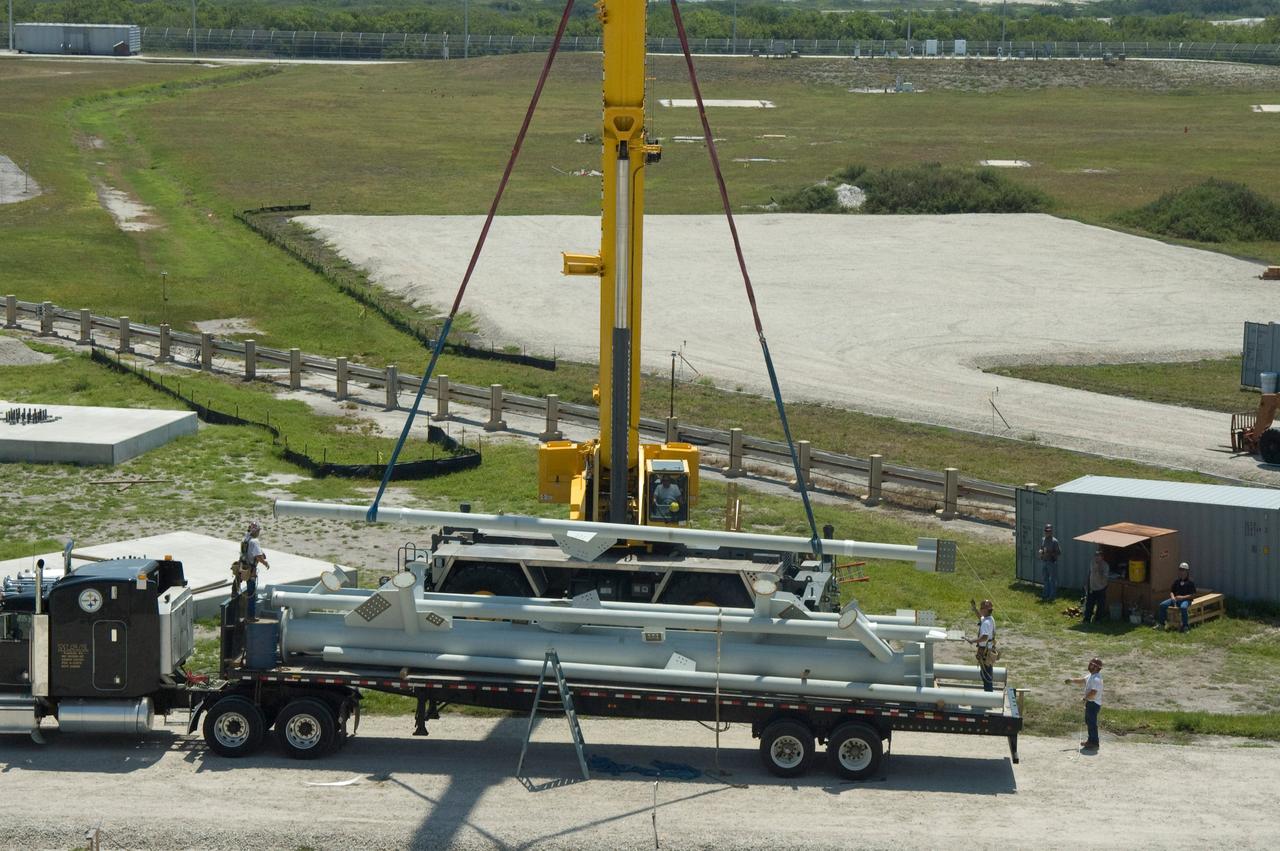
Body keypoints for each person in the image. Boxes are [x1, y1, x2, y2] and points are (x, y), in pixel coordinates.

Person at [1065, 657, 1104, 750]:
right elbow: (1082, 680)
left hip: (1093, 704)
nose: (1089, 666)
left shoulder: (1096, 679)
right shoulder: (1091, 676)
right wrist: (1071, 680)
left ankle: (1094, 742)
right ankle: (1090, 740)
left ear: (1096, 667)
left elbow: (1093, 692)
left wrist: (1085, 698)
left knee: (1092, 723)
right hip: (1090, 703)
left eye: (1092, 665)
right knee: (1089, 722)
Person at [238, 521, 270, 620]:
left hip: (243, 567)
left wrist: (261, 553)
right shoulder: (254, 541)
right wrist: (265, 563)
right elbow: (258, 557)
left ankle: (245, 614)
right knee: (252, 593)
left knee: (248, 591)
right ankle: (251, 616)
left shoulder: (245, 538)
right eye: (258, 531)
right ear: (255, 531)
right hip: (251, 570)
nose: (259, 532)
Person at [1156, 562, 1197, 633]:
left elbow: (1193, 595)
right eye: (1180, 569)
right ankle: (1161, 624)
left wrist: (1182, 597)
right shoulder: (1177, 581)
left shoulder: (1190, 582)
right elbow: (1172, 591)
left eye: (1183, 570)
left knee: (1183, 608)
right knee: (1162, 605)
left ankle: (1185, 626)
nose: (1181, 572)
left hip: (1186, 600)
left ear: (1187, 571)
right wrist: (1172, 597)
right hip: (1175, 600)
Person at [969, 599, 997, 692]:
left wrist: (972, 641)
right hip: (989, 650)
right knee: (987, 672)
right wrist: (975, 609)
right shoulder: (989, 619)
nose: (980, 610)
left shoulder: (986, 623)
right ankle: (988, 693)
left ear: (985, 610)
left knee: (986, 675)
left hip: (985, 652)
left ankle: (988, 695)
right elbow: (980, 617)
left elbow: (984, 637)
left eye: (981, 608)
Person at [1083, 548, 1110, 624]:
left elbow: (1104, 578)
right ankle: (1087, 619)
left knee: (1100, 605)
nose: (1096, 557)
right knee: (1089, 604)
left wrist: (1098, 569)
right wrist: (1086, 583)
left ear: (1102, 557)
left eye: (1098, 556)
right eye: (1095, 555)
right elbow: (1090, 573)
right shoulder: (1092, 562)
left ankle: (1098, 619)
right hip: (1092, 587)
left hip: (1101, 587)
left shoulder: (1105, 566)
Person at [1037, 524, 1061, 601]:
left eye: (1049, 531)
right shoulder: (1043, 539)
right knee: (1045, 579)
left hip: (1051, 562)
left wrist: (1050, 552)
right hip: (1044, 561)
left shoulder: (1054, 541)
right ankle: (1045, 594)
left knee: (1052, 580)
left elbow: (1059, 552)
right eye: (1046, 531)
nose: (1047, 532)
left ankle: (1052, 596)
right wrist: (1041, 552)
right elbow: (1042, 548)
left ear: (1051, 532)